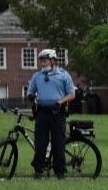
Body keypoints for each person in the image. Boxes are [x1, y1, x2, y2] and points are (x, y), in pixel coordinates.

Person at [27, 48, 75, 179]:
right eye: (41, 61)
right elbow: (31, 91)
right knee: (40, 144)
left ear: (53, 61)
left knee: (58, 143)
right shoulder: (37, 76)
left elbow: (71, 94)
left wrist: (60, 102)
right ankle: (38, 171)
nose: (43, 64)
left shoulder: (63, 75)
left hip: (57, 113)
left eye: (45, 60)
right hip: (42, 113)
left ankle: (60, 172)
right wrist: (31, 97)